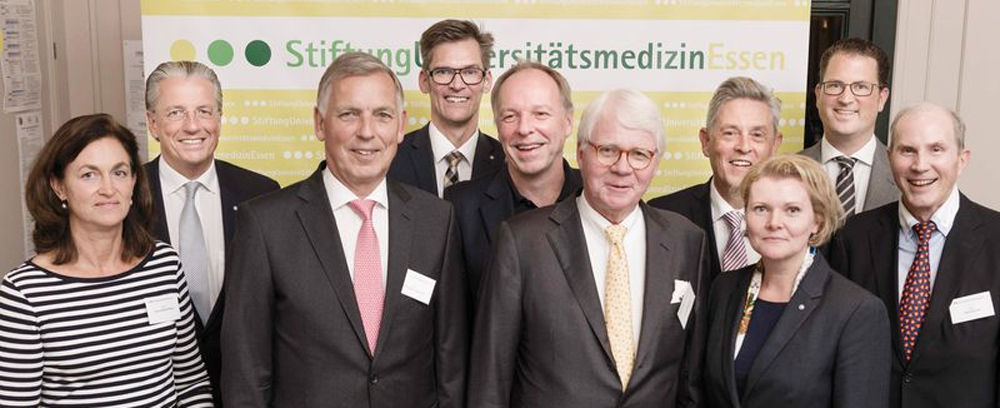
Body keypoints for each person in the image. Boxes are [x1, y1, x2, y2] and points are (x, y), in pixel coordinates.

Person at [221, 52, 467, 408]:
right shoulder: (265, 224)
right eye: (349, 114)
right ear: (320, 123)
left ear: (400, 126)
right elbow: (246, 373)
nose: (367, 132)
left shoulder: (437, 220)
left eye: (382, 115)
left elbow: (451, 363)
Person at [468, 89, 706, 407]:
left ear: (655, 163)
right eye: (607, 150)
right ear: (581, 153)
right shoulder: (521, 242)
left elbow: (690, 380)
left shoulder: (686, 241)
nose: (622, 168)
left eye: (639, 154)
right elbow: (490, 380)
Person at [0, 114, 213, 407]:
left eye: (119, 172)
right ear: (59, 186)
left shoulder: (164, 265)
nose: (108, 189)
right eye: (89, 175)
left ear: (133, 182)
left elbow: (190, 381)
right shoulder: (24, 292)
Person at [830, 102, 1000, 408]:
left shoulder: (996, 238)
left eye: (936, 149)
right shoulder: (852, 238)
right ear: (889, 158)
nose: (920, 165)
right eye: (907, 150)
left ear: (962, 159)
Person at [703, 154, 889, 407]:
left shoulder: (856, 311)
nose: (774, 223)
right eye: (761, 209)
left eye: (792, 210)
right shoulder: (724, 289)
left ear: (817, 221)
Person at [144, 60, 279, 405]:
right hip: (157, 391)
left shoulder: (261, 193)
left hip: (245, 392)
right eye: (176, 113)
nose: (193, 126)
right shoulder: (127, 199)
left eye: (204, 111)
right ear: (152, 123)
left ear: (219, 118)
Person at [444, 60, 582, 301]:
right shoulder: (459, 206)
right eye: (510, 116)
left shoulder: (597, 196)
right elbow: (451, 312)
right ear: (497, 127)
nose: (524, 129)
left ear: (568, 122)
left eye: (540, 114)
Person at [650, 77, 783, 283]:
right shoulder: (662, 217)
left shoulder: (794, 224)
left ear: (774, 145)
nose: (744, 147)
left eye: (757, 135)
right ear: (706, 142)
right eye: (730, 133)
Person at [388, 19, 505, 197]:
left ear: (487, 81)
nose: (457, 85)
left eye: (470, 72)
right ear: (424, 81)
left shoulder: (507, 162)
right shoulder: (390, 158)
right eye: (443, 72)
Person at [800, 37, 898, 216]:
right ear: (818, 95)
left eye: (860, 87)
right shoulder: (786, 171)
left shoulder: (904, 174)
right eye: (835, 85)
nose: (845, 99)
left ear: (881, 99)